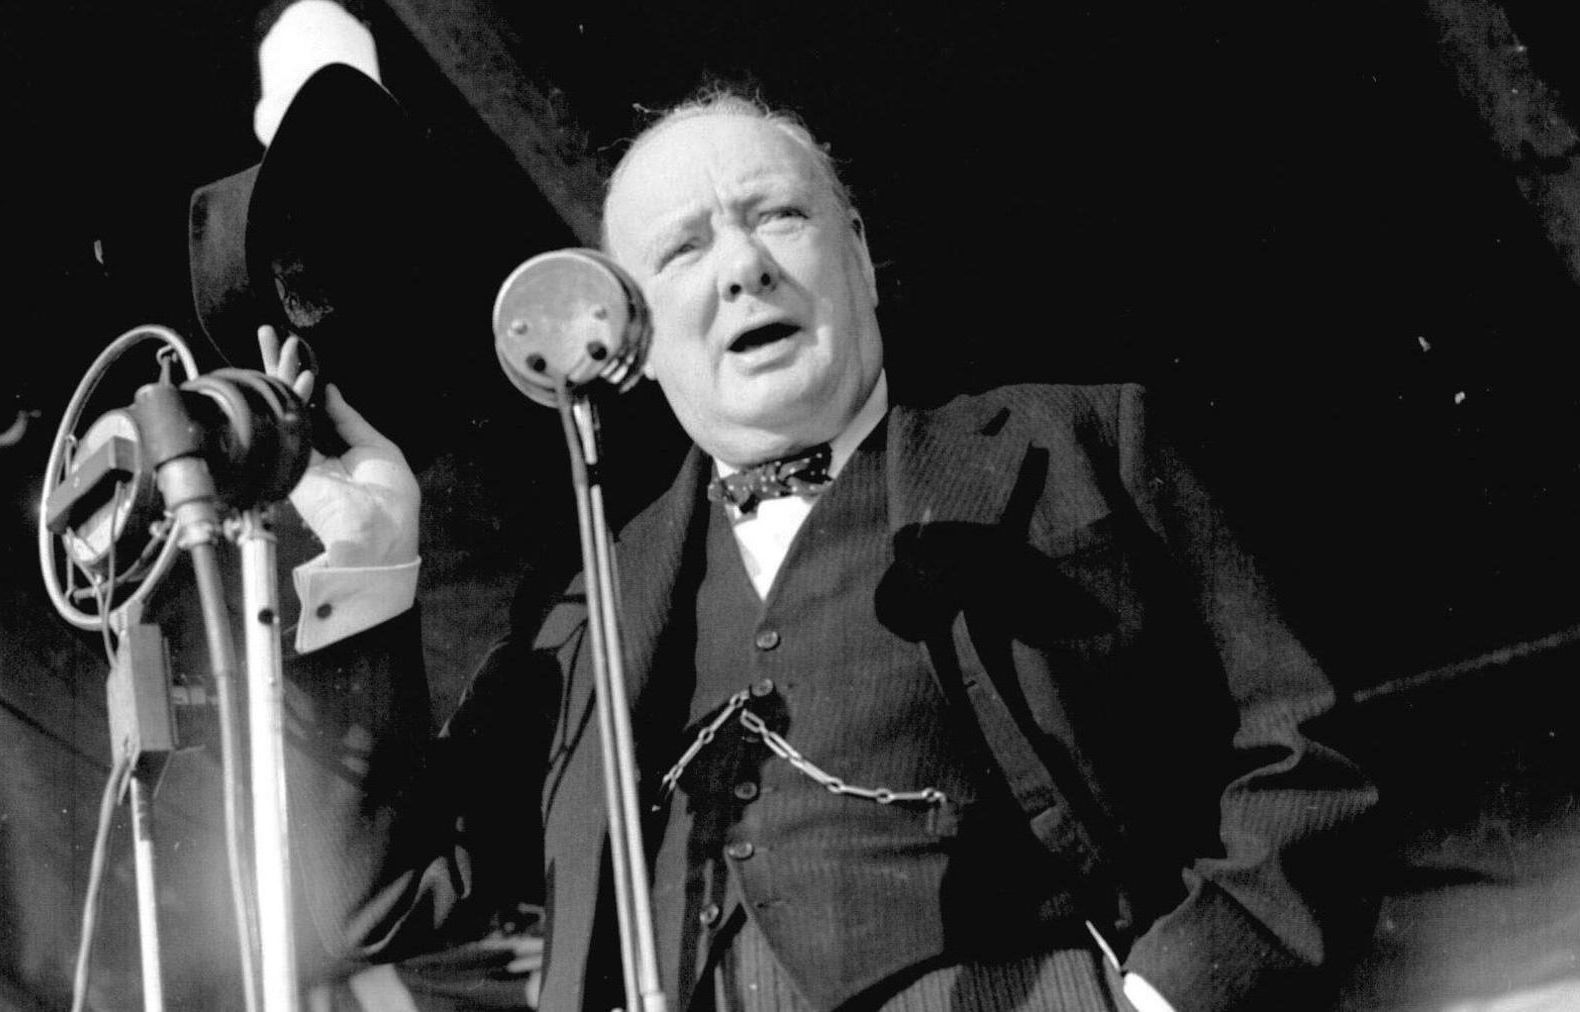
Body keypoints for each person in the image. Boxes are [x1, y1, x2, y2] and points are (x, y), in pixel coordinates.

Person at [268, 92, 1379, 1012]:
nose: (743, 266)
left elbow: (1304, 751)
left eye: (779, 216)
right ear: (626, 337)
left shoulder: (1085, 443)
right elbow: (388, 896)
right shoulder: (595, 605)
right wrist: (364, 565)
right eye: (686, 247)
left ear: (859, 253)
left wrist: (1165, 997)